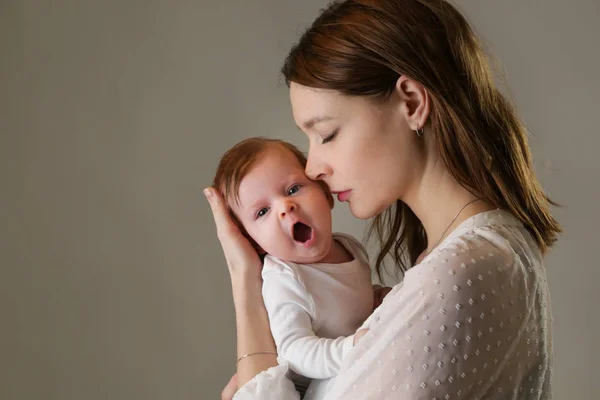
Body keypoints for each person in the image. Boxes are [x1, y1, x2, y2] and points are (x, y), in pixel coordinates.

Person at [205, 0, 562, 399]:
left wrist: (245, 287)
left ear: (410, 102)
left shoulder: (460, 274)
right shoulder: (468, 261)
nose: (313, 168)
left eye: (327, 134)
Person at [212, 137, 388, 396]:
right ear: (255, 243)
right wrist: (349, 348)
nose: (285, 206)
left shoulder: (348, 247)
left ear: (326, 194)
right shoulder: (284, 279)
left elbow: (347, 302)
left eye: (293, 189)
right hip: (312, 388)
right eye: (262, 212)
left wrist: (379, 297)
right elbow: (294, 350)